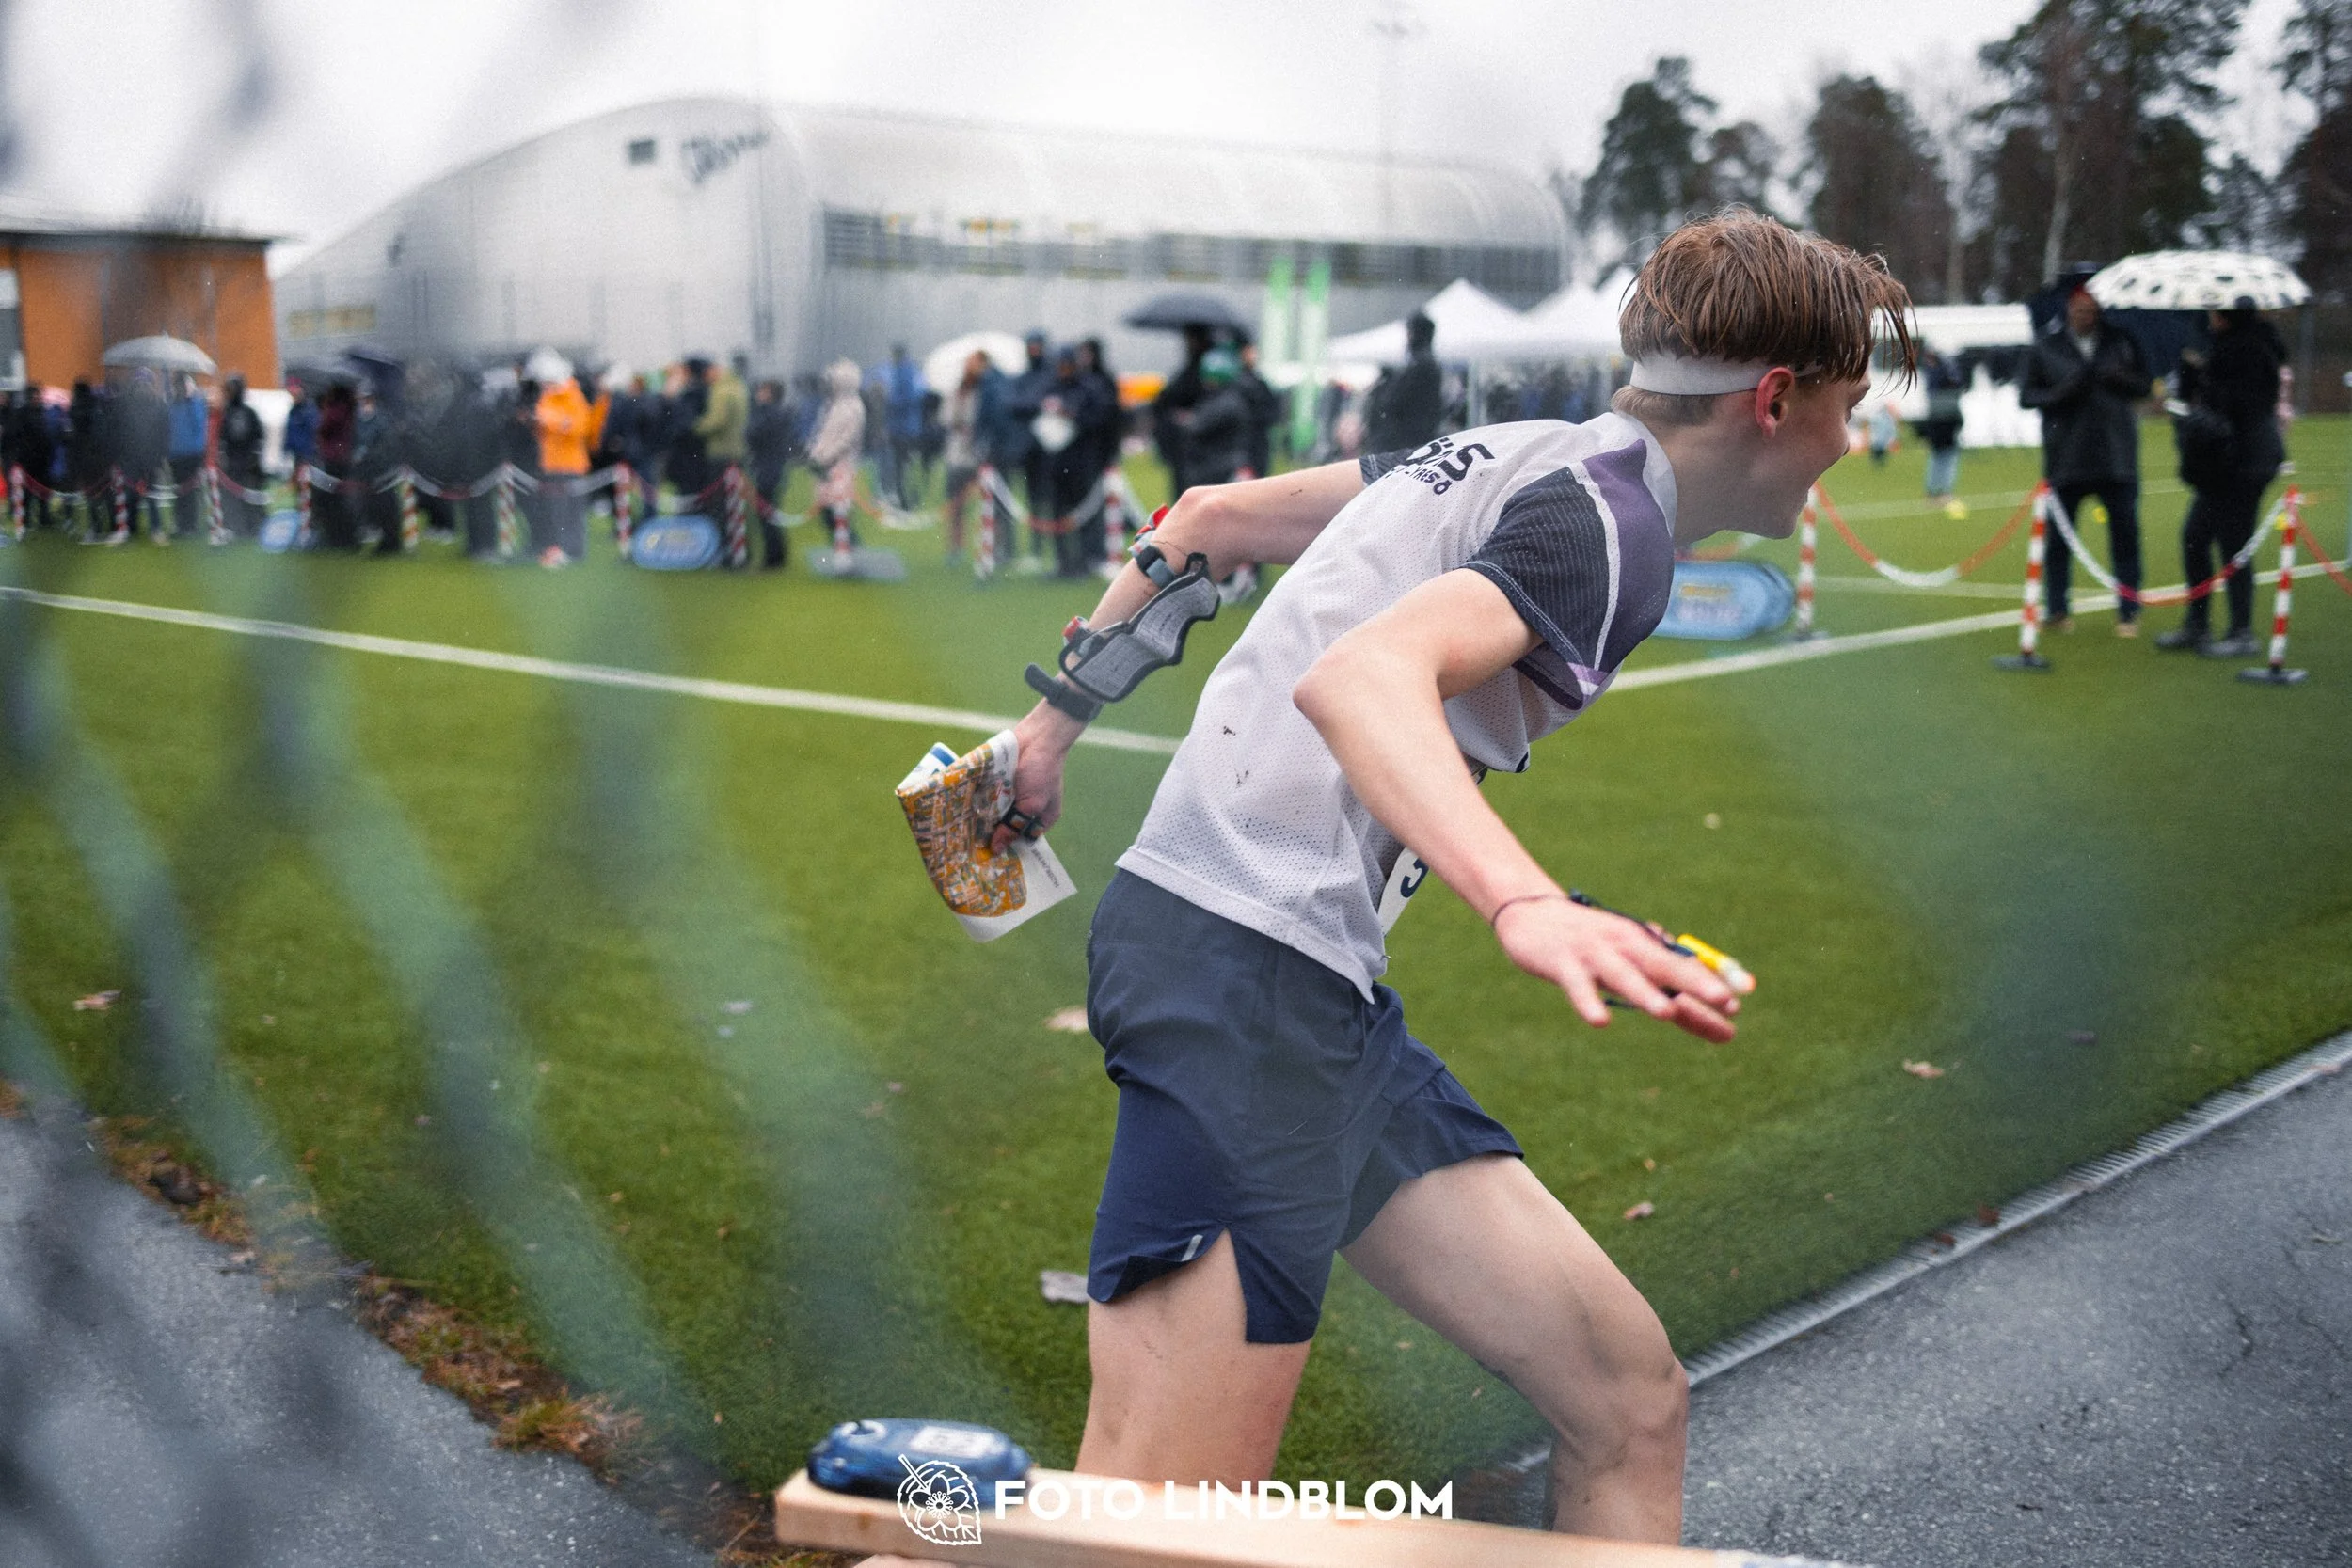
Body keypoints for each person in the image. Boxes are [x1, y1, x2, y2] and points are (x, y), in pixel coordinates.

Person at [964, 210, 1904, 1550]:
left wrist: (1048, 729)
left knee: (1628, 1398)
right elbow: (1361, 678)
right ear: (1773, 399)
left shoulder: (1515, 450)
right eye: (1846, 407)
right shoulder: (1614, 522)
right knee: (1165, 1530)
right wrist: (1528, 902)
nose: (1849, 442)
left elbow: (1207, 520)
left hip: (1303, 989)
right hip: (1242, 983)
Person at [2156, 301, 2287, 657]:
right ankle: (2198, 624)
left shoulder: (2251, 350)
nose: (2210, 317)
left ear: (2227, 316)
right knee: (2196, 537)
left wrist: (2202, 377)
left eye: (2216, 311)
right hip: (2228, 460)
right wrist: (2194, 375)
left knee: (2232, 541)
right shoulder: (2231, 347)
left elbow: (2236, 405)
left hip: (2246, 461)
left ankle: (2240, 631)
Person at [2019, 286, 2149, 636]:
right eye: (2079, 309)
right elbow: (2027, 396)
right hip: (2067, 456)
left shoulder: (2121, 342)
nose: (2085, 316)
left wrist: (2118, 378)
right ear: (2068, 309)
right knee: (2059, 541)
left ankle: (2128, 611)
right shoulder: (2046, 345)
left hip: (2116, 456)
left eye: (2091, 310)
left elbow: (2144, 385)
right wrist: (2062, 392)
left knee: (2125, 536)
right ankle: (2057, 610)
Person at [532, 356, 592, 565]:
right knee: (556, 511)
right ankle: (559, 548)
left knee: (571, 512)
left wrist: (553, 422)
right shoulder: (548, 398)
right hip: (552, 464)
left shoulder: (574, 397)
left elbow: (580, 428)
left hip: (571, 465)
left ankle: (572, 550)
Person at [1362, 310, 1443, 454]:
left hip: (1407, 439)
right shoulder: (1425, 364)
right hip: (1414, 436)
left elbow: (1392, 401)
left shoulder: (1421, 365)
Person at [806, 357, 866, 549]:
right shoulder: (833, 405)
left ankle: (848, 546)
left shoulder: (854, 407)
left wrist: (827, 457)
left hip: (842, 464)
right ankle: (842, 544)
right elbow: (823, 433)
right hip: (826, 464)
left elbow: (847, 439)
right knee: (826, 509)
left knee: (839, 509)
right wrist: (815, 453)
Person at [940, 350, 991, 562]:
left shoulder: (986, 392)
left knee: (985, 504)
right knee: (955, 505)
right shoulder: (956, 392)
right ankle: (956, 547)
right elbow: (945, 418)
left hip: (977, 455)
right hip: (957, 454)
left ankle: (988, 547)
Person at [746, 378, 795, 570]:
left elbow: (752, 434)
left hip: (766, 468)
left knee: (766, 514)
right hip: (776, 466)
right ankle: (777, 555)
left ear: (769, 394)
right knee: (770, 512)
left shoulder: (767, 414)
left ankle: (773, 558)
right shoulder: (782, 413)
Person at [1914, 346, 1966, 518]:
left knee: (1939, 460)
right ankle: (1942, 492)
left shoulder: (1934, 380)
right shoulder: (1945, 381)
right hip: (1945, 425)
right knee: (1944, 461)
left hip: (1940, 425)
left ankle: (1935, 492)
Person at [876, 343, 928, 508]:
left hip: (903, 429)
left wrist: (889, 399)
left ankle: (905, 501)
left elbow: (906, 398)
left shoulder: (903, 372)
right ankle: (904, 499)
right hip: (905, 427)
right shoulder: (908, 371)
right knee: (902, 466)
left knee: (901, 466)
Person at [216, 376, 265, 537]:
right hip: (232, 462)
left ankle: (254, 526)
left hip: (248, 463)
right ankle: (235, 526)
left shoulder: (249, 413)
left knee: (250, 496)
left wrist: (254, 457)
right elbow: (222, 437)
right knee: (232, 496)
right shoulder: (226, 413)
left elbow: (258, 437)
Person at [167, 374, 211, 533]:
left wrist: (202, 452)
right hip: (176, 456)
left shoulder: (195, 404)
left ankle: (191, 524)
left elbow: (200, 428)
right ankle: (181, 523)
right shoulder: (172, 406)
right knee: (180, 492)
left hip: (193, 455)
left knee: (191, 491)